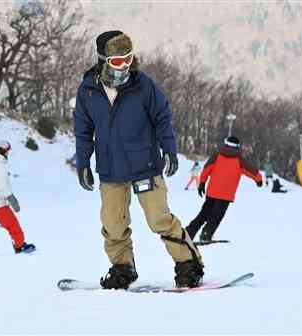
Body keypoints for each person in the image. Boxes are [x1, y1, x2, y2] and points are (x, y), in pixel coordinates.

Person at [74, 30, 203, 289]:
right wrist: (84, 162)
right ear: (103, 60)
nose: (125, 66)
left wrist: (169, 148)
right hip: (111, 169)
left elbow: (162, 117)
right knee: (113, 224)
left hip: (144, 165)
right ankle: (123, 268)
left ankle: (189, 265)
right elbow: (83, 130)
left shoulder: (142, 85)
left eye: (128, 59)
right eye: (118, 61)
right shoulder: (88, 90)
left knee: (159, 219)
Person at [186, 136, 263, 242]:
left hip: (212, 193)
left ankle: (188, 233)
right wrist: (259, 180)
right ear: (237, 147)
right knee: (216, 216)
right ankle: (205, 235)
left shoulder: (217, 156)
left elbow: (206, 169)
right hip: (225, 196)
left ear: (225, 144)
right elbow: (253, 171)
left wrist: (202, 183)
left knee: (203, 214)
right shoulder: (239, 160)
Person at [0, 140, 35, 254]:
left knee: (11, 224)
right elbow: (1, 184)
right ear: (4, 151)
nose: (8, 153)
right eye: (8, 151)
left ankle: (19, 243)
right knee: (13, 225)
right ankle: (19, 246)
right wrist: (11, 198)